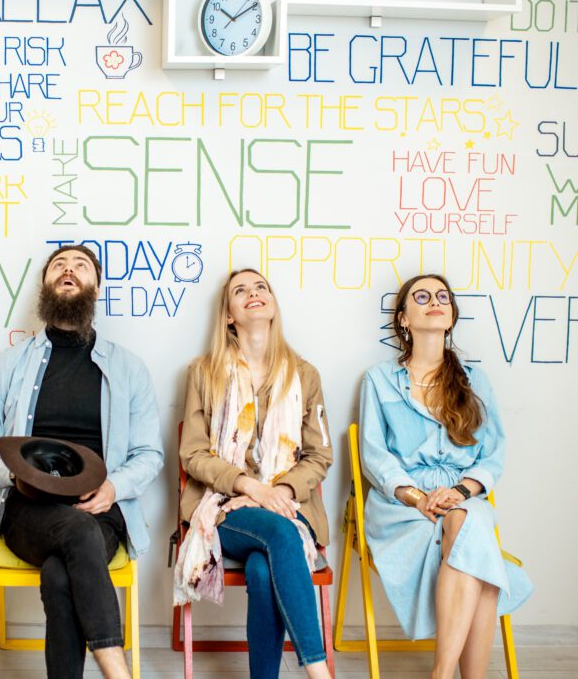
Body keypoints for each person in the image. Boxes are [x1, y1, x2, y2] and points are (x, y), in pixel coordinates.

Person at [0, 245, 163, 679]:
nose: (69, 271)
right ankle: (119, 673)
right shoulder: (9, 365)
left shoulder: (129, 369)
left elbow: (149, 454)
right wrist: (16, 475)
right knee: (76, 533)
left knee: (58, 575)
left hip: (102, 510)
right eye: (59, 266)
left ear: (95, 286)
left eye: (81, 266)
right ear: (46, 285)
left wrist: (113, 488)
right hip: (27, 511)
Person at [359, 274, 532, 679]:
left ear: (451, 316)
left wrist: (457, 491)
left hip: (465, 496)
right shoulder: (379, 380)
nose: (434, 301)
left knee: (466, 519)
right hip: (401, 506)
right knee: (481, 557)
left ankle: (441, 673)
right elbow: (375, 456)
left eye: (442, 297)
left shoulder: (475, 381)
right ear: (403, 318)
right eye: (422, 296)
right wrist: (418, 497)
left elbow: (492, 457)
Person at [173, 269, 333, 679]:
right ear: (228, 315)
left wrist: (276, 490)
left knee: (264, 569)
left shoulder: (306, 375)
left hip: (289, 505)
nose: (254, 293)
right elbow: (192, 454)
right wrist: (248, 486)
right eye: (240, 291)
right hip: (223, 509)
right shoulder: (203, 373)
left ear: (273, 304)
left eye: (262, 287)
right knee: (278, 535)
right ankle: (321, 673)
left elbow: (319, 455)